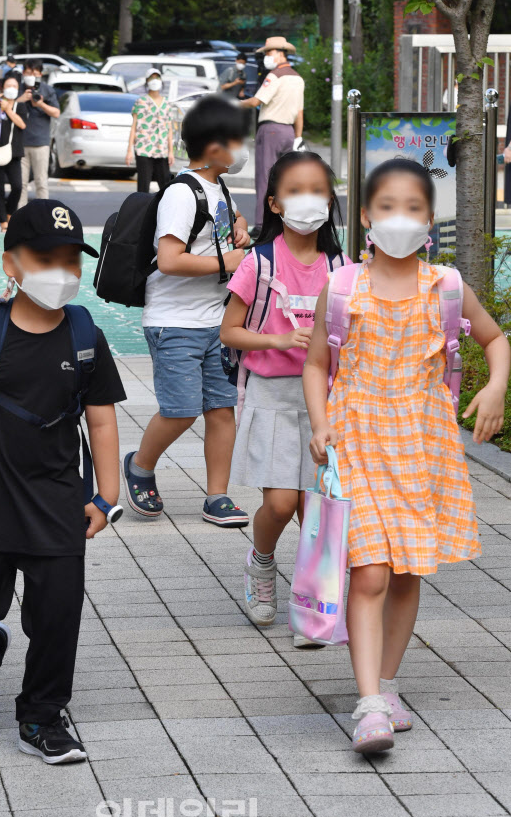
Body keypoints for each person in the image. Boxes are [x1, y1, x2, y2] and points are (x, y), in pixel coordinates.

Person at [303, 158, 510, 755]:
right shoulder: (342, 287)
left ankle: (388, 684)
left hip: (424, 443)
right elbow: (317, 364)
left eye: (414, 208)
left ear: (430, 218)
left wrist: (493, 385)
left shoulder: (445, 286)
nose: (400, 219)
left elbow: (494, 339)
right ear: (366, 216)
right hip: (358, 439)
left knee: (406, 571)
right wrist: (320, 425)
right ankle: (368, 703)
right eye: (387, 207)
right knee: (367, 570)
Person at [0, 200, 126, 764]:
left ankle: (41, 715)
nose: (60, 272)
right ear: (11, 264)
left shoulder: (85, 335)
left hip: (55, 500)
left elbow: (102, 418)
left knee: (58, 613)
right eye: (45, 258)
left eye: (70, 261)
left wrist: (106, 495)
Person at [221, 151, 349, 628]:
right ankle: (262, 561)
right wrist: (275, 338)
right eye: (295, 191)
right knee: (281, 503)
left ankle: (313, 602)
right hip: (272, 396)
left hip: (327, 400)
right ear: (274, 204)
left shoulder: (341, 265)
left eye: (318, 189)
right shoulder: (259, 262)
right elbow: (229, 331)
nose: (307, 200)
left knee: (316, 509)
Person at [123, 96, 252, 526]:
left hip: (216, 319)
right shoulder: (180, 192)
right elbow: (169, 259)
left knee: (221, 408)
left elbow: (225, 229)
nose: (241, 149)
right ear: (214, 146)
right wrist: (224, 263)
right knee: (180, 410)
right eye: (235, 141)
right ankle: (140, 465)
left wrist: (240, 229)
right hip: (174, 322)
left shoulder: (219, 187)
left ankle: (217, 496)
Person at [239, 36, 305, 231]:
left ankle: (262, 224)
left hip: (270, 131)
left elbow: (255, 101)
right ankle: (286, 221)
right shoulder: (298, 78)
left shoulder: (274, 76)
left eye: (269, 52)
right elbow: (299, 112)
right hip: (289, 132)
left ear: (280, 53)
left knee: (265, 178)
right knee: (285, 178)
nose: (267, 56)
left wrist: (231, 104)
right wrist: (298, 137)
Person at [17, 59, 61, 207]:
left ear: (40, 74)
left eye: (35, 73)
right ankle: (19, 217)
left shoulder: (47, 90)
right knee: (20, 184)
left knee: (41, 182)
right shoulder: (18, 88)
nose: (31, 76)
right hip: (20, 143)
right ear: (23, 73)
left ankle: (45, 215)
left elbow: (56, 113)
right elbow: (6, 108)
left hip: (41, 142)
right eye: (28, 73)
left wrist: (40, 104)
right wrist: (21, 99)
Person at [0, 72, 28, 231]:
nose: (11, 88)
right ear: (2, 88)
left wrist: (9, 110)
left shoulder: (21, 105)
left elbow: (22, 125)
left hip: (14, 151)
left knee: (17, 186)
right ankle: (3, 221)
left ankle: (11, 214)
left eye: (14, 86)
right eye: (8, 86)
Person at [125, 69, 174, 193]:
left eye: (157, 78)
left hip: (161, 149)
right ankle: (142, 210)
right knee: (143, 185)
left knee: (165, 185)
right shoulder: (140, 102)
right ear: (147, 82)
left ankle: (165, 209)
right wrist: (129, 150)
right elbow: (134, 126)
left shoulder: (167, 104)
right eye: (151, 79)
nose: (155, 81)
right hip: (143, 148)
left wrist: (171, 151)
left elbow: (169, 129)